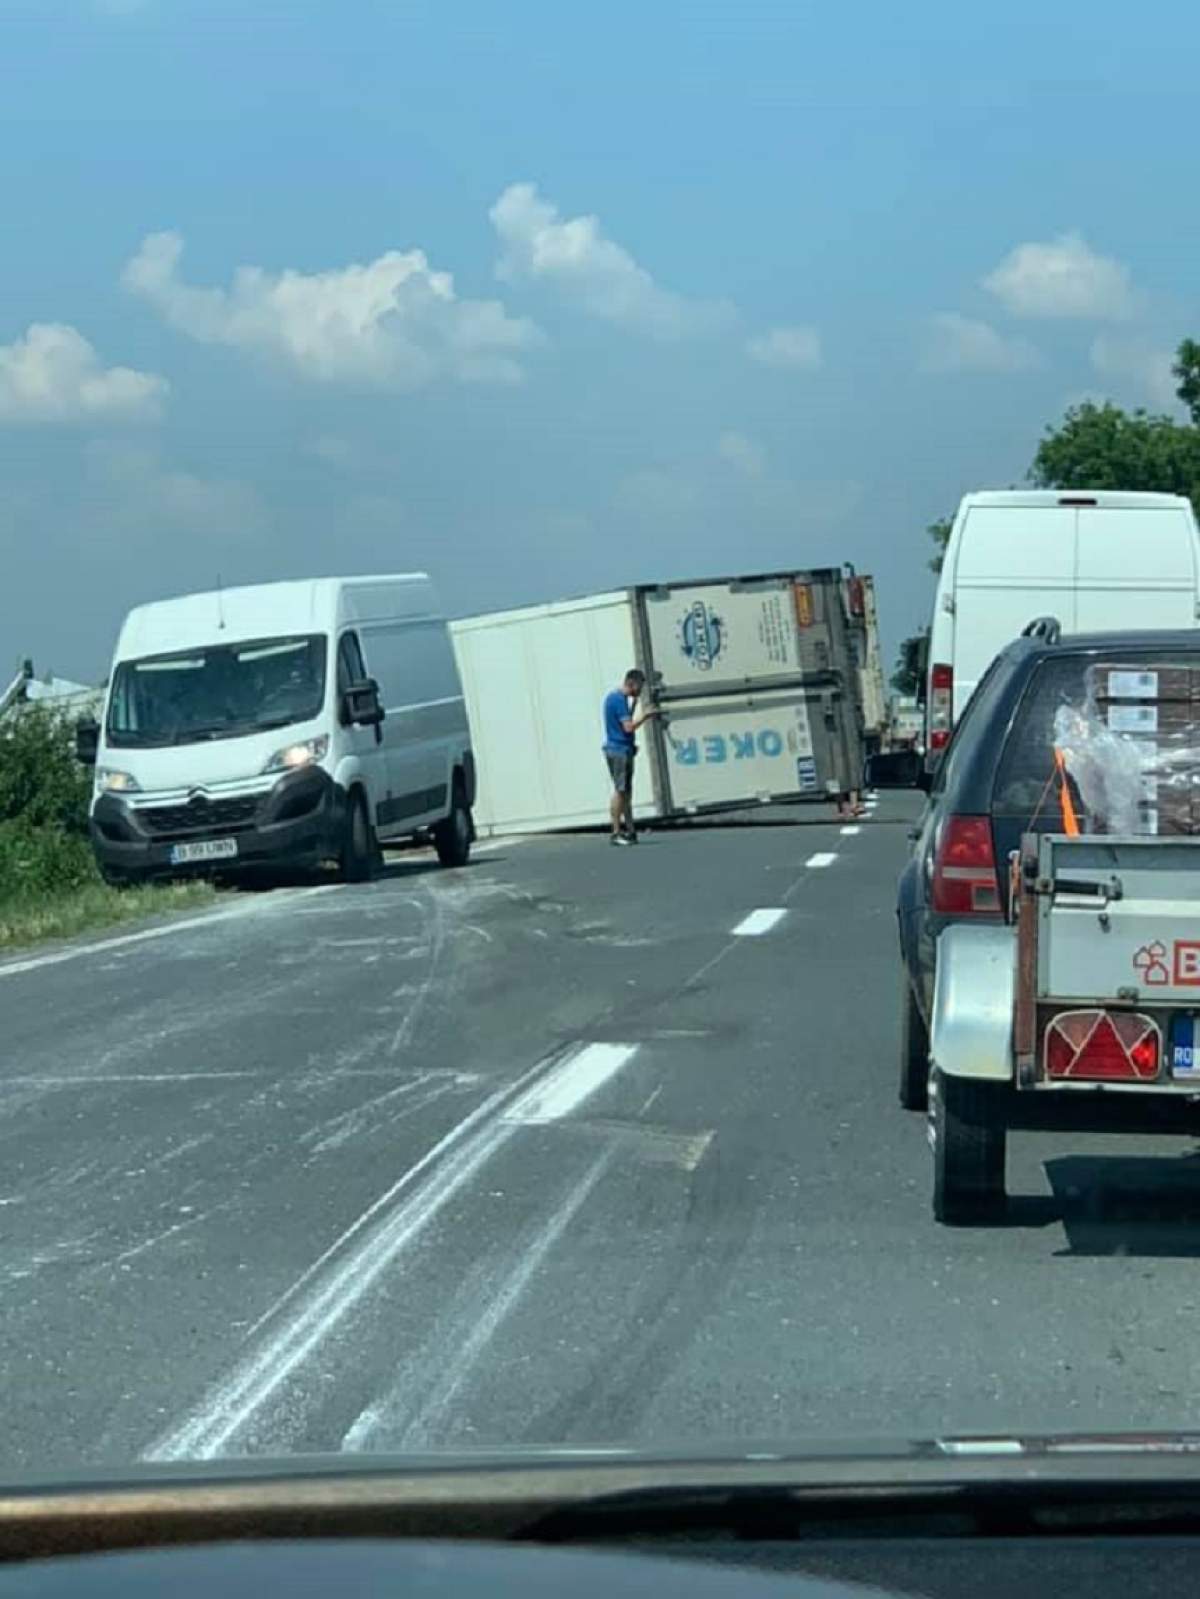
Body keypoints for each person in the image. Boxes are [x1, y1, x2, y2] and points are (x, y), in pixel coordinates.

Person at [602, 669, 659, 845]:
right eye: (639, 687)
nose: (640, 691)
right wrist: (645, 716)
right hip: (618, 750)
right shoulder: (618, 700)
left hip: (623, 748)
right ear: (631, 683)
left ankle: (630, 829)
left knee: (626, 791)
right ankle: (616, 832)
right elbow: (628, 727)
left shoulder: (619, 699)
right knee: (621, 791)